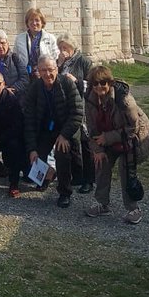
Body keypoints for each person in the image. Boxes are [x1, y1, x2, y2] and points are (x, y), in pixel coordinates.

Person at [84, 64, 149, 225]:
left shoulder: (124, 99)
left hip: (131, 139)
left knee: (126, 169)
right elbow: (91, 127)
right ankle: (102, 204)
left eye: (103, 83)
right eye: (95, 83)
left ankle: (133, 208)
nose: (99, 87)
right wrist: (98, 149)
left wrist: (107, 138)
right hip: (108, 137)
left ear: (110, 83)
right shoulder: (89, 98)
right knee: (101, 162)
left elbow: (133, 128)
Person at [23, 55, 83, 208]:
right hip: (45, 130)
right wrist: (32, 149)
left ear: (57, 69)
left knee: (62, 153)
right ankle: (46, 176)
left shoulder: (67, 84)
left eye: (50, 69)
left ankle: (64, 192)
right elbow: (29, 119)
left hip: (65, 129)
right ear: (38, 71)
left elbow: (77, 113)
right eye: (43, 70)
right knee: (37, 156)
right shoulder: (34, 88)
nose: (47, 74)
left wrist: (64, 135)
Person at [57, 31, 94, 193]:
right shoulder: (61, 62)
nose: (63, 51)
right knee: (72, 141)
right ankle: (77, 175)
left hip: (83, 105)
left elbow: (92, 85)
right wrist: (59, 65)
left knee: (86, 142)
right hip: (68, 107)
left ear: (72, 47)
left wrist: (77, 81)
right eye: (60, 48)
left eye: (65, 47)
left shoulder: (83, 61)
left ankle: (89, 179)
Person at [13, 8, 59, 78]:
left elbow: (55, 57)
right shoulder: (19, 38)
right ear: (27, 22)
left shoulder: (50, 38)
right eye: (31, 20)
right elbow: (15, 57)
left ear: (42, 22)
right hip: (25, 75)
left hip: (45, 75)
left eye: (37, 20)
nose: (34, 23)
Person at [0, 31, 28, 98]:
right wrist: (0, 90)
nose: (0, 46)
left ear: (7, 44)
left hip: (15, 96)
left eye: (3, 43)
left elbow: (24, 78)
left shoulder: (15, 58)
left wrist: (12, 89)